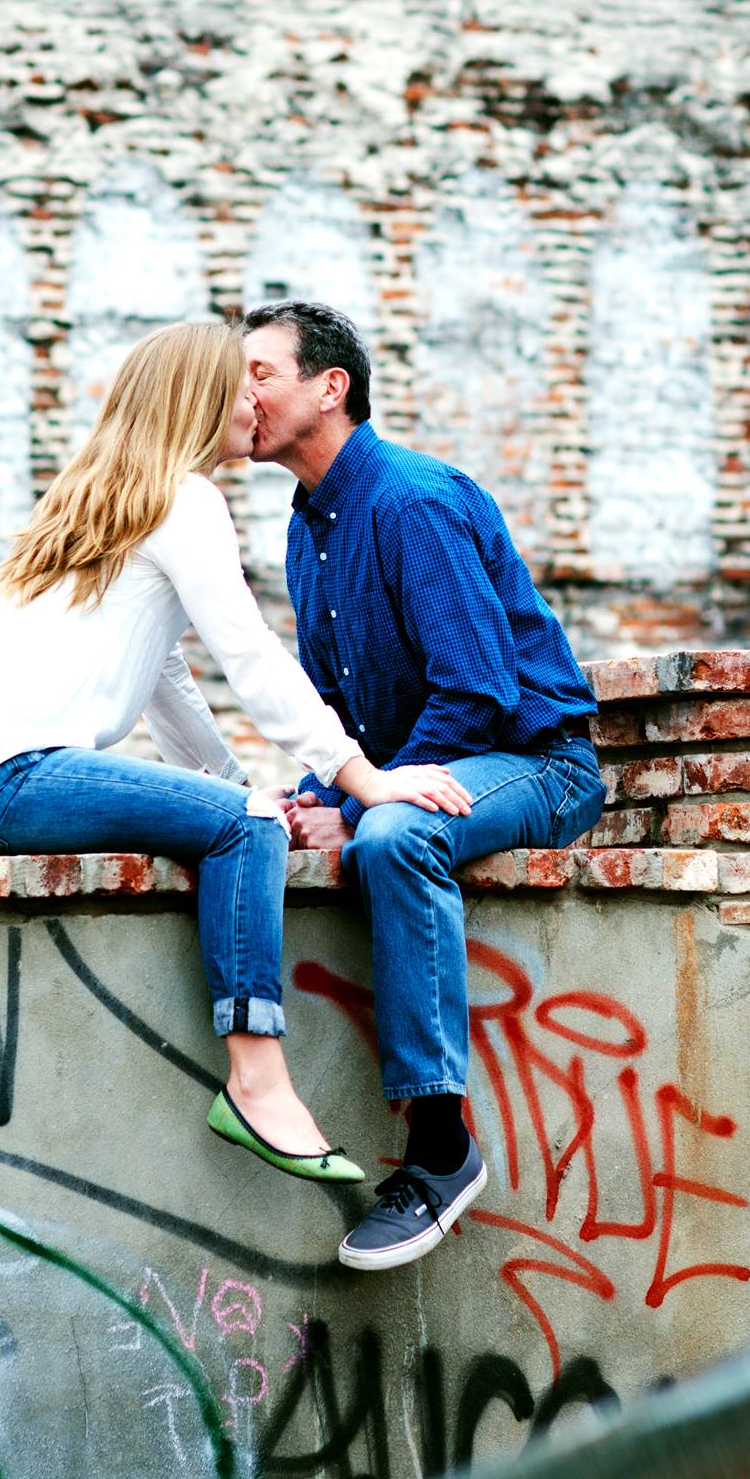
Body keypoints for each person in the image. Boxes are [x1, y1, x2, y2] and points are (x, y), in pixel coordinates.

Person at [0, 321, 470, 1185]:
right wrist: (361, 777)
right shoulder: (185, 500)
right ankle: (257, 1083)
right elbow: (253, 659)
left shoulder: (108, 494)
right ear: (198, 398)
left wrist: (235, 790)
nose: (254, 401)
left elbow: (164, 676)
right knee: (247, 825)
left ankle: (257, 1075)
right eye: (240, 384)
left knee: (245, 818)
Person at [241, 300, 606, 1270]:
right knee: (280, 826)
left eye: (259, 374)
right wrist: (321, 795)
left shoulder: (411, 501)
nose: (241, 396)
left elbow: (478, 692)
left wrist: (364, 803)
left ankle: (441, 1148)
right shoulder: (307, 527)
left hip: (536, 762)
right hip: (426, 768)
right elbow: (331, 705)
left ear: (331, 387)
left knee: (395, 836)